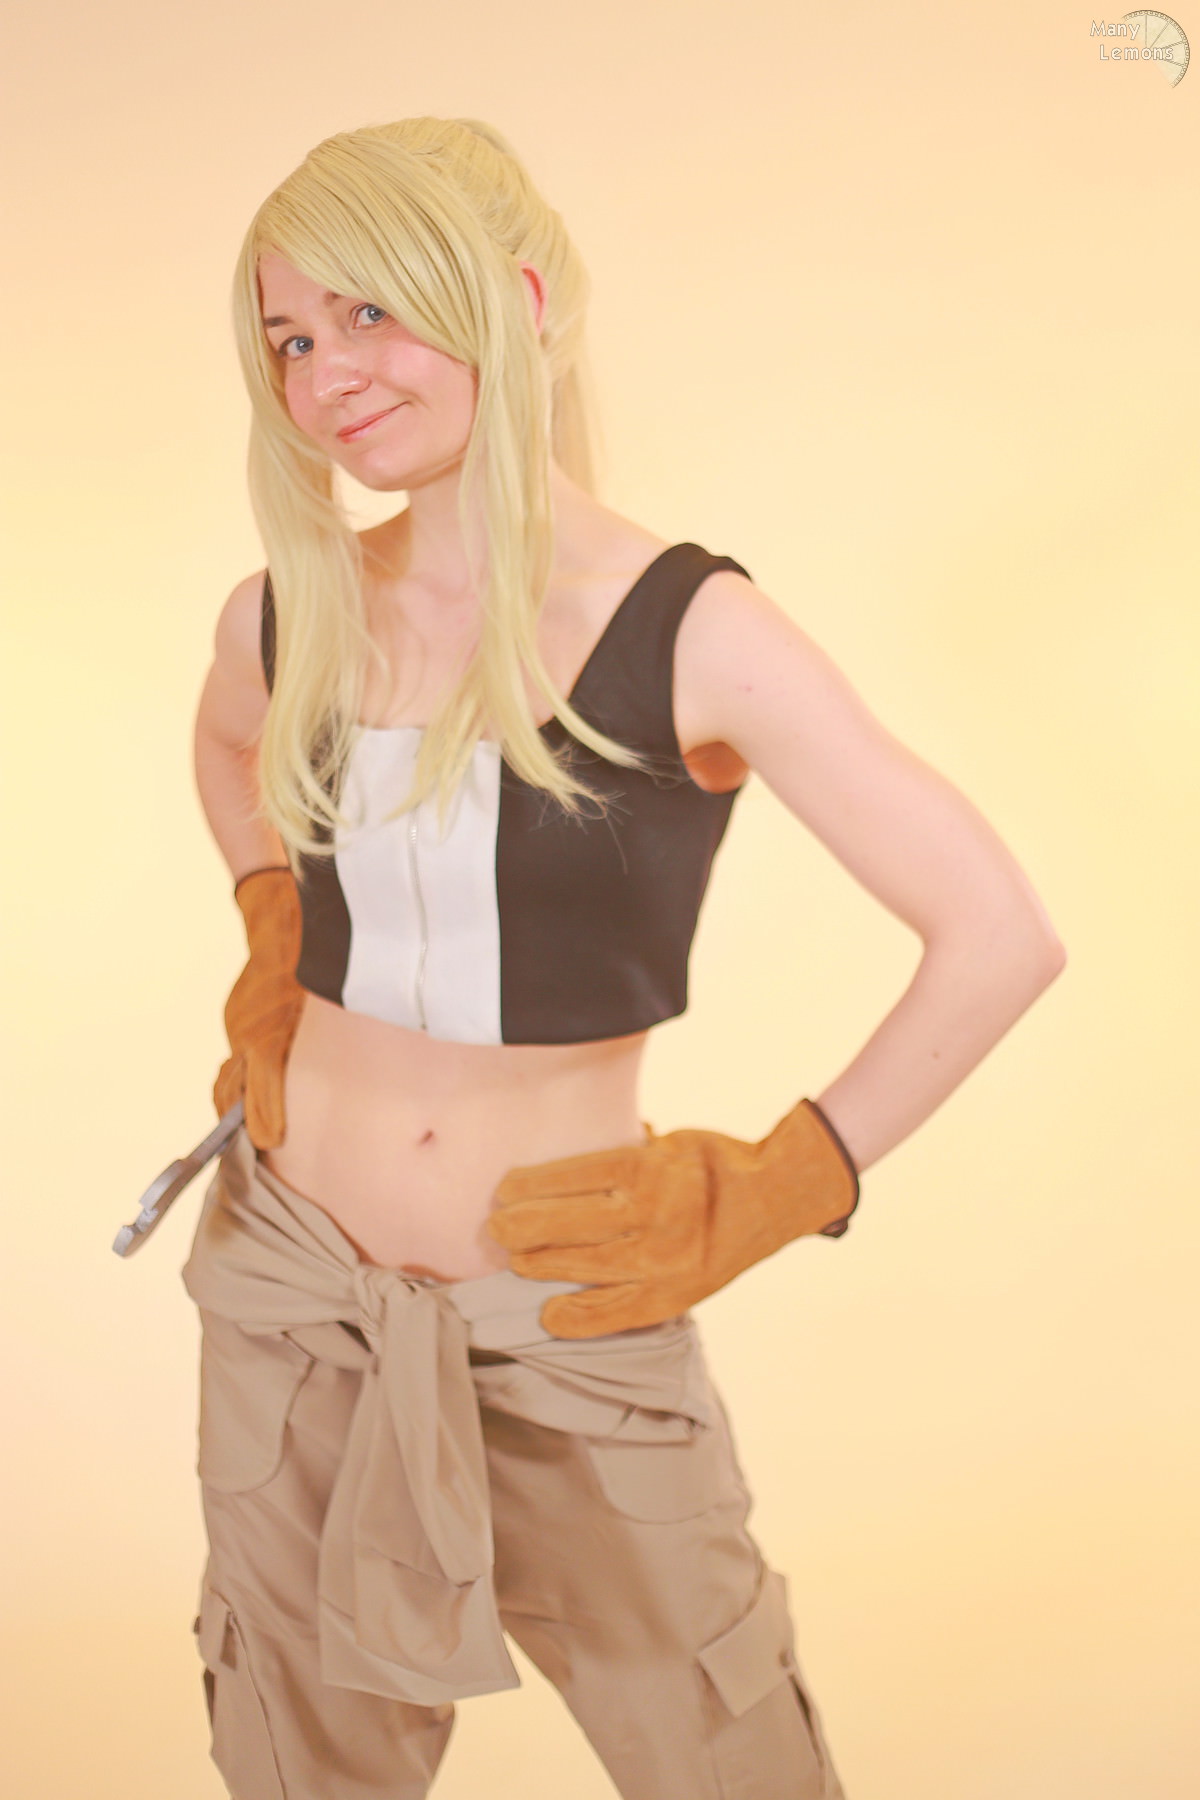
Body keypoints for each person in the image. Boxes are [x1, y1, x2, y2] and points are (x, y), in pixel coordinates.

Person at [184, 114, 1066, 1800]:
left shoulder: (692, 628)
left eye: (369, 310)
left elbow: (999, 936)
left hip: (572, 1303)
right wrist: (269, 922)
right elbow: (226, 750)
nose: (326, 373)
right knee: (295, 1748)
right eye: (289, 338)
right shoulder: (288, 609)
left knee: (721, 1743)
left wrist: (787, 1179)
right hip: (289, 1287)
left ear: (515, 302)